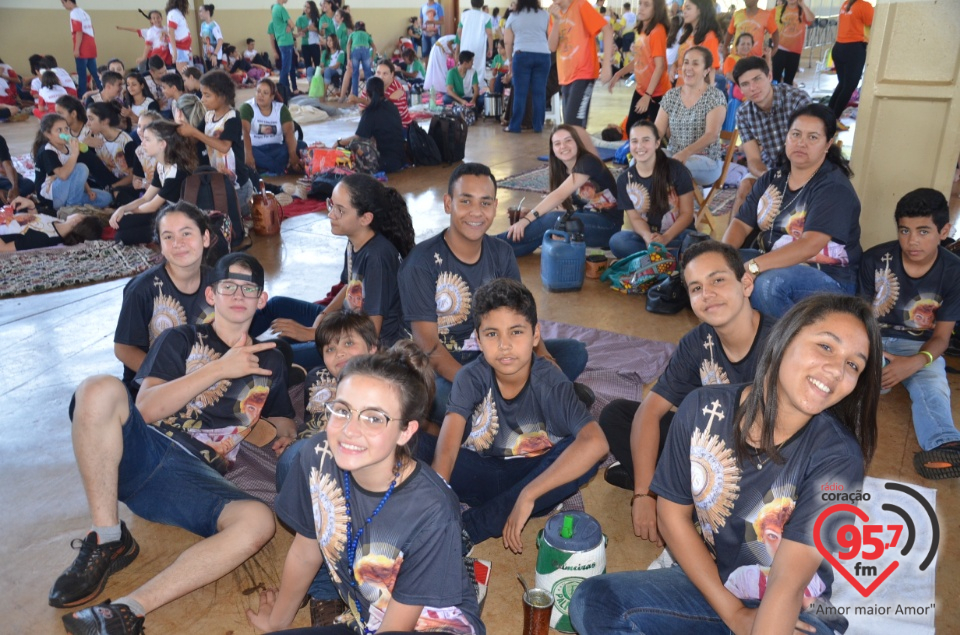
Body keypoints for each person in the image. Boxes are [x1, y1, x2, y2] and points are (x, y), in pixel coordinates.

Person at [571, 293, 882, 635]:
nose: (837, 371)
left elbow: (787, 584)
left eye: (854, 364)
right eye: (826, 347)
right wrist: (734, 614)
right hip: (715, 584)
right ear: (785, 338)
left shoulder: (838, 457)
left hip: (792, 606)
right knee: (593, 603)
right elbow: (672, 516)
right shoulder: (701, 409)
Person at [51, 253, 295, 635]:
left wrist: (284, 434)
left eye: (249, 288)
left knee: (258, 522)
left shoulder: (273, 360)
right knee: (98, 388)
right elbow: (145, 409)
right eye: (228, 286)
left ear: (261, 301)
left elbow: (281, 418)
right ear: (211, 295)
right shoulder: (180, 339)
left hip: (195, 480)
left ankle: (128, 611)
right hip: (145, 451)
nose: (238, 295)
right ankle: (108, 535)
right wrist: (219, 368)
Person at [244, 343, 486, 634]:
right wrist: (277, 624)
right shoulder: (317, 455)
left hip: (426, 624)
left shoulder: (432, 510)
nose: (350, 430)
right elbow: (305, 551)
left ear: (406, 431)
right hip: (370, 614)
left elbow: (396, 628)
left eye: (374, 418)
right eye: (343, 410)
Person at [599, 241, 774, 548]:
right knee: (616, 415)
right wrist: (643, 495)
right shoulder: (697, 342)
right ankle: (661, 487)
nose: (707, 294)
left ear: (746, 283)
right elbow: (649, 412)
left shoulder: (780, 346)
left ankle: (676, 493)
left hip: (755, 464)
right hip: (705, 450)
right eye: (695, 288)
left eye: (717, 280)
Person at [421, 278, 609, 553]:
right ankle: (490, 511)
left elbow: (598, 443)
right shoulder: (469, 377)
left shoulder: (550, 381)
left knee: (585, 452)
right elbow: (448, 449)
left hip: (533, 475)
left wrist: (528, 495)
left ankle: (471, 527)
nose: (505, 345)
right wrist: (435, 508)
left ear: (535, 336)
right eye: (492, 334)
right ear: (479, 339)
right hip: (480, 470)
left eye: (516, 332)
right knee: (406, 440)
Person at [399, 162, 588, 424]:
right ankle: (534, 399)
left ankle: (520, 399)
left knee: (574, 353)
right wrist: (483, 383)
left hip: (495, 353)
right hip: (444, 367)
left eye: (485, 203)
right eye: (466, 201)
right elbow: (428, 346)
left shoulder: (501, 253)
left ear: (495, 207)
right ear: (447, 203)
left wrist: (544, 357)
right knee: (444, 400)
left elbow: (522, 317)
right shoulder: (420, 263)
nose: (476, 212)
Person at [251, 174, 414, 369]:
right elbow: (349, 286)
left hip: (367, 347)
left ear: (365, 218)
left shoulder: (377, 258)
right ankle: (226, 340)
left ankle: (242, 357)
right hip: (346, 323)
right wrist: (324, 317)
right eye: (331, 205)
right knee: (277, 306)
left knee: (277, 354)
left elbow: (371, 331)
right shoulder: (355, 239)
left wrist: (313, 334)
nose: (330, 214)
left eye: (340, 210)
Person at [722, 103, 862, 318]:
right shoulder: (772, 179)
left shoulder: (833, 188)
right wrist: (721, 256)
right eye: (795, 134)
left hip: (828, 278)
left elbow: (809, 245)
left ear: (828, 144)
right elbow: (741, 223)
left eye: (813, 137)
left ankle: (785, 345)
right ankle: (739, 335)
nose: (801, 143)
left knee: (767, 285)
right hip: (772, 261)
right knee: (711, 264)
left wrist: (753, 267)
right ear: (786, 137)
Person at [859, 188, 960, 480]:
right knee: (853, 380)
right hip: (871, 338)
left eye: (923, 231)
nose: (912, 240)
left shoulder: (953, 272)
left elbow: (941, 337)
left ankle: (945, 446)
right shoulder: (875, 259)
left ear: (944, 231)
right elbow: (859, 320)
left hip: (919, 346)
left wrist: (914, 362)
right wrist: (872, 354)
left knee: (932, 385)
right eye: (905, 230)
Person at [113, 202, 215, 391]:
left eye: (186, 233)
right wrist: (169, 377)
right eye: (168, 236)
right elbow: (123, 348)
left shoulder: (218, 284)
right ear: (160, 245)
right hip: (153, 388)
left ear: (205, 237)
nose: (178, 243)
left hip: (205, 382)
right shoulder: (142, 289)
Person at [500, 124, 621, 256]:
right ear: (553, 149)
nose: (563, 146)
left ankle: (489, 245)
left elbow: (558, 196)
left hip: (608, 226)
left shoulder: (588, 162)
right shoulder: (561, 170)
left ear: (577, 142)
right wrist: (533, 214)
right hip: (584, 223)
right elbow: (563, 208)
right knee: (536, 237)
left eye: (568, 140)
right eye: (557, 143)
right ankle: (498, 254)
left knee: (554, 220)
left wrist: (527, 220)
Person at [728, 55, 811, 228]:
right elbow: (753, 160)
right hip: (770, 169)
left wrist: (790, 180)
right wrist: (772, 179)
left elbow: (810, 149)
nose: (753, 88)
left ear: (770, 77)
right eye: (745, 84)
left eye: (757, 79)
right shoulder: (743, 113)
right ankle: (727, 249)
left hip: (805, 166)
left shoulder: (797, 99)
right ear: (740, 89)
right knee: (745, 188)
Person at [609, 120, 695, 257]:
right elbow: (635, 219)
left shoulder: (677, 170)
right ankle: (666, 259)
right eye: (634, 141)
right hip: (648, 239)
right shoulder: (624, 180)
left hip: (677, 235)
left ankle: (656, 259)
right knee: (618, 241)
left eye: (646, 140)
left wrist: (665, 238)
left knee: (697, 244)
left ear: (657, 143)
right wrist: (648, 237)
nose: (639, 146)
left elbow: (687, 213)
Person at [110, 120, 197, 245]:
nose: (142, 143)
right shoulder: (161, 165)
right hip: (165, 212)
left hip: (179, 219)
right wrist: (123, 209)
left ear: (162, 144)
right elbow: (146, 198)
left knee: (121, 236)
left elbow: (152, 206)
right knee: (122, 222)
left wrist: (126, 210)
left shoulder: (176, 172)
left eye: (147, 140)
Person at [178, 70, 255, 210]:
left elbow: (224, 146)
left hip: (238, 186)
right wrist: (183, 129)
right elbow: (195, 140)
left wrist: (194, 131)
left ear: (222, 96)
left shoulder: (232, 118)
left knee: (223, 218)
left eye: (207, 95)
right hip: (219, 183)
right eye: (202, 94)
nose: (202, 99)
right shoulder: (208, 116)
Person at [655, 45, 726, 186]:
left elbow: (711, 135)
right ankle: (649, 206)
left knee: (671, 168)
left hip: (706, 160)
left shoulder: (714, 96)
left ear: (706, 71)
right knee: (639, 161)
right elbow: (657, 130)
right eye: (686, 62)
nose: (688, 68)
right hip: (674, 155)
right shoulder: (672, 95)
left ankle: (672, 206)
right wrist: (645, 144)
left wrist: (685, 153)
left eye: (695, 63)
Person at [549, 0, 614, 128]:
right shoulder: (554, 13)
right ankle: (581, 147)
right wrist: (556, 20)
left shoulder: (580, 5)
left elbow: (607, 30)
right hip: (565, 76)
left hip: (584, 73)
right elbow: (552, 46)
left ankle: (581, 147)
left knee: (573, 125)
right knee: (571, 126)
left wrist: (606, 65)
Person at [609, 0, 671, 133]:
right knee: (632, 128)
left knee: (657, 135)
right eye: (641, 3)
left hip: (656, 94)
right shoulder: (643, 30)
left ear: (656, 9)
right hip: (642, 90)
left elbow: (660, 66)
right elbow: (639, 59)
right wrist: (619, 73)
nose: (641, 8)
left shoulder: (657, 31)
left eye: (647, 5)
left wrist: (648, 96)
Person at [31, 113, 112, 211]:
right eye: (59, 130)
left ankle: (71, 203)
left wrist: (88, 190)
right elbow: (63, 175)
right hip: (51, 196)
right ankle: (72, 208)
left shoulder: (67, 146)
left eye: (66, 129)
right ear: (48, 134)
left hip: (69, 191)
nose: (65, 133)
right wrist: (74, 154)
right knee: (81, 167)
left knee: (106, 197)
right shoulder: (47, 151)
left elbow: (76, 174)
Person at [336, 77, 406, 173]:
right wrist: (359, 100)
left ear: (367, 93)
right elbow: (374, 103)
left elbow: (358, 137)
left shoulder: (370, 113)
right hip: (399, 160)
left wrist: (339, 142)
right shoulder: (391, 106)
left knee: (352, 144)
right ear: (383, 90)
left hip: (384, 163)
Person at [502, 0, 551, 134]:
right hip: (543, 55)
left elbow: (507, 41)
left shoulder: (514, 16)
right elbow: (550, 35)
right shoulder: (545, 15)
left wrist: (510, 61)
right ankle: (538, 126)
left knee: (520, 92)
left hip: (522, 54)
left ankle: (515, 125)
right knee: (539, 93)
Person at [239, 78, 304, 176]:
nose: (260, 95)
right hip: (255, 149)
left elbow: (289, 133)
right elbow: (245, 132)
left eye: (265, 93)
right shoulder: (247, 107)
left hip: (277, 149)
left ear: (272, 96)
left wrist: (292, 155)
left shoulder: (281, 108)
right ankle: (280, 169)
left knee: (301, 146)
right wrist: (248, 154)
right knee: (240, 151)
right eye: (258, 91)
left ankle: (266, 168)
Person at [827, 0, 873, 130]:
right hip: (853, 49)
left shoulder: (847, 3)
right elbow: (875, 25)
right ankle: (833, 121)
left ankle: (827, 117)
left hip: (839, 48)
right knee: (849, 86)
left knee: (843, 85)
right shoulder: (864, 6)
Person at [86, 102, 137, 205]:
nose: (88, 123)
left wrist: (112, 187)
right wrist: (83, 142)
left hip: (124, 184)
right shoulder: (94, 135)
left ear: (105, 121)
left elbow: (134, 176)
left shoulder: (126, 142)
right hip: (106, 178)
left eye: (91, 119)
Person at [0, 203, 100, 252]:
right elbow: (37, 223)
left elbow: (4, 248)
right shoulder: (59, 223)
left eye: (83, 215)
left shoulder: (44, 238)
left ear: (77, 221)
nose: (79, 212)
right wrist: (31, 206)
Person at [354, 60, 414, 129]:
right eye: (378, 73)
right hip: (378, 125)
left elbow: (391, 118)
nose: (380, 77)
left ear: (392, 74)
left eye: (385, 74)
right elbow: (362, 110)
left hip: (400, 128)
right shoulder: (371, 84)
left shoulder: (397, 90)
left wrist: (362, 101)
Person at [675, 0, 722, 85]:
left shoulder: (709, 37)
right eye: (684, 8)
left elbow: (710, 70)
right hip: (681, 88)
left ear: (700, 10)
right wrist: (673, 67)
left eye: (688, 8)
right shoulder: (688, 33)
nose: (684, 11)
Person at [62, 0, 102, 94]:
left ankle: (82, 96)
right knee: (95, 74)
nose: (63, 6)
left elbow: (79, 32)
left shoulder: (74, 13)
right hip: (91, 47)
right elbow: (93, 31)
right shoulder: (84, 13)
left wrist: (76, 49)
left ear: (68, 1)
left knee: (82, 75)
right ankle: (103, 90)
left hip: (82, 49)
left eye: (63, 3)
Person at [772, 0, 814, 86]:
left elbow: (811, 19)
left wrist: (803, 5)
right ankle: (775, 98)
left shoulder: (803, 10)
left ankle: (786, 98)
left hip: (795, 51)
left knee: (789, 80)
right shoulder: (776, 10)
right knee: (775, 79)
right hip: (779, 49)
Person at [272, 0, 300, 96]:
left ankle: (285, 90)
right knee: (286, 68)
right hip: (286, 42)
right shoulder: (281, 9)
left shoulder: (275, 8)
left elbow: (290, 25)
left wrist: (289, 26)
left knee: (288, 67)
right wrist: (290, 26)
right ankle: (280, 92)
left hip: (282, 41)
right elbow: (292, 24)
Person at [0, 134, 36, 202]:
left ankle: (13, 198)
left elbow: (8, 165)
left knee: (28, 185)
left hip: (3, 180)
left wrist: (14, 187)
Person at [346, 21, 376, 97]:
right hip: (366, 51)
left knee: (355, 74)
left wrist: (348, 59)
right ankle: (370, 96)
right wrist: (372, 59)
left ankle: (354, 96)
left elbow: (348, 45)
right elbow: (374, 47)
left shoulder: (353, 34)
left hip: (355, 51)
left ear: (355, 28)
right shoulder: (367, 35)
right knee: (368, 74)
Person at [296, 1, 323, 78]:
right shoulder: (300, 19)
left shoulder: (317, 19)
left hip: (315, 44)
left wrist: (315, 29)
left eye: (308, 7)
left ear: (312, 8)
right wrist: (307, 28)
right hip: (305, 45)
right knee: (308, 65)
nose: (306, 9)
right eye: (305, 7)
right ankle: (310, 82)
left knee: (317, 64)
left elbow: (321, 33)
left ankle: (318, 81)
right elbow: (299, 32)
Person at [166, 0, 194, 70]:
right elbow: (171, 32)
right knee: (184, 72)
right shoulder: (173, 13)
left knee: (188, 71)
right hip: (180, 48)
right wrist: (175, 52)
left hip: (185, 47)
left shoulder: (179, 13)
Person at [199, 4, 225, 70]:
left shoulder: (214, 25)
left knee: (214, 76)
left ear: (207, 12)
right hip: (207, 55)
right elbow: (203, 38)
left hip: (214, 56)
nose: (199, 14)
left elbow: (220, 40)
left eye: (201, 11)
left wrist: (215, 54)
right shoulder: (203, 25)